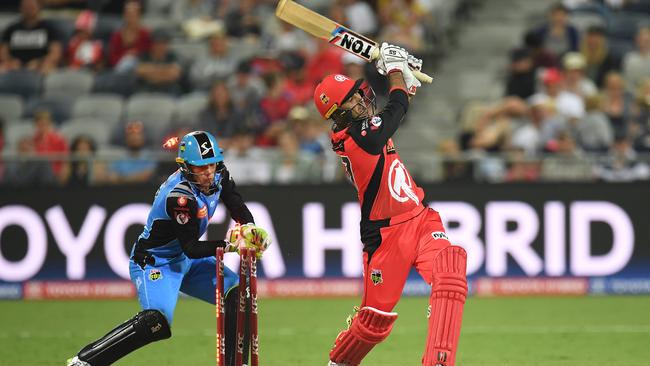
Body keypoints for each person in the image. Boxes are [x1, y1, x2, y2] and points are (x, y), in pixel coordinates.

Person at [314, 43, 467, 366]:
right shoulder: (355, 138)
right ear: (337, 113)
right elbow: (393, 112)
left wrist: (405, 81)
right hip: (385, 236)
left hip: (420, 219)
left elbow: (394, 109)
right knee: (374, 323)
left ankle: (439, 361)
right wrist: (396, 72)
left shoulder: (367, 127)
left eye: (359, 93)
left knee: (450, 272)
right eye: (351, 100)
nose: (360, 100)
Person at [66, 130, 271, 366]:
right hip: (157, 262)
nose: (208, 173)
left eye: (212, 165)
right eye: (200, 168)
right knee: (156, 323)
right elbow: (192, 247)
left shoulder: (218, 173)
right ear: (185, 167)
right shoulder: (179, 197)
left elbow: (236, 204)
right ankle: (85, 361)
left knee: (237, 293)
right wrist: (233, 245)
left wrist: (249, 229)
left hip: (187, 261)